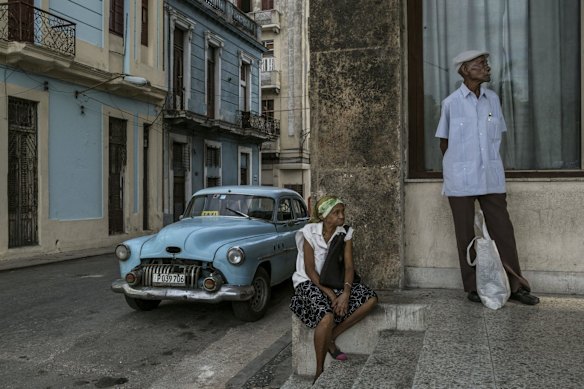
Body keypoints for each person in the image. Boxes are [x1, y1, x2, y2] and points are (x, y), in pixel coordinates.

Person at [435, 50, 539, 306]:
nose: (487, 68)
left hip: (490, 175)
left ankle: (516, 286)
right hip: (460, 179)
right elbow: (444, 143)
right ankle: (472, 286)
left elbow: (495, 138)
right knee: (465, 234)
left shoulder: (493, 100)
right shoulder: (451, 103)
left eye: (485, 63)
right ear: (465, 70)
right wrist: (458, 167)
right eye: (480, 64)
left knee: (503, 230)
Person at [289, 195, 378, 382]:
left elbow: (348, 267)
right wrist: (330, 295)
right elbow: (310, 270)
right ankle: (319, 371)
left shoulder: (345, 233)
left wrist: (346, 293)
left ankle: (332, 336)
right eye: (336, 213)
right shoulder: (309, 231)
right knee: (326, 315)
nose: (341, 216)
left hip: (333, 283)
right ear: (324, 215)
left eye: (342, 212)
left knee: (370, 299)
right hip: (308, 283)